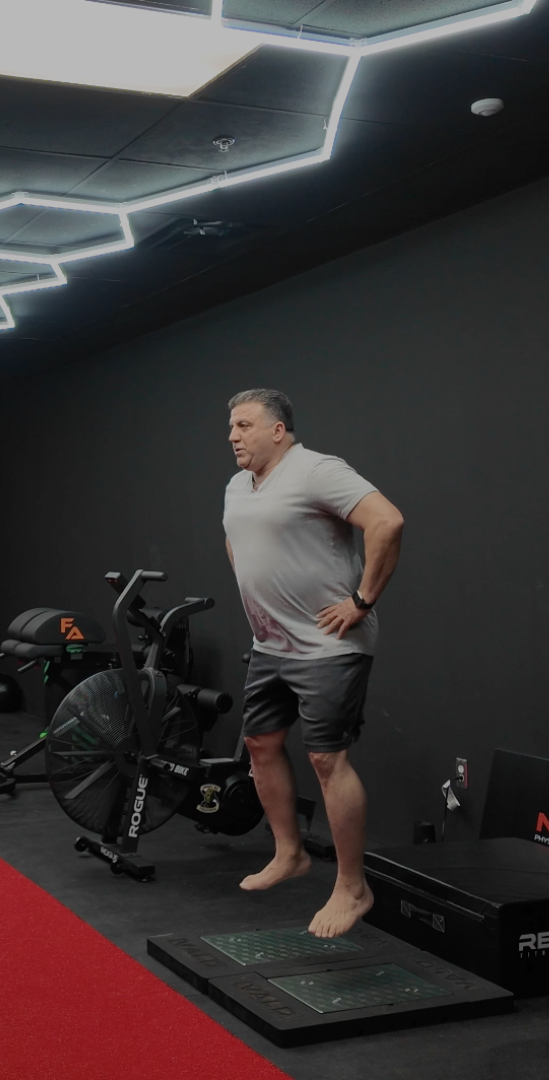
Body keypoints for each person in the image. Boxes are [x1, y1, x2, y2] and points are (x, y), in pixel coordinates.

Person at [222, 388, 405, 938]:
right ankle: (289, 853)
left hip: (328, 647)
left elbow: (387, 522)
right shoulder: (237, 485)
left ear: (278, 430)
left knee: (327, 761)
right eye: (231, 427)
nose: (233, 436)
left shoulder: (317, 471)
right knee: (260, 745)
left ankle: (353, 886)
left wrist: (362, 600)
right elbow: (238, 542)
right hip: (270, 645)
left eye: (245, 425)